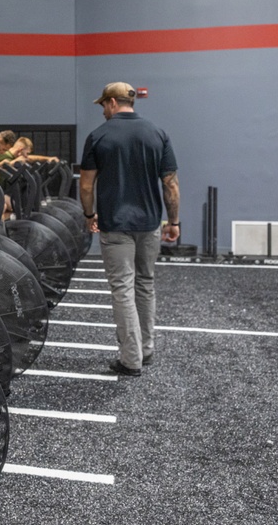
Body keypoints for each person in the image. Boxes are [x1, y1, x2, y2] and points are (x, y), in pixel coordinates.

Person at [79, 82, 179, 377]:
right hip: (149, 224)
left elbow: (86, 184)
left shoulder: (99, 136)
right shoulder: (157, 134)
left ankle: (131, 359)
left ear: (111, 102)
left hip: (116, 224)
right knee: (145, 283)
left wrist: (89, 214)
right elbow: (170, 184)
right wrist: (173, 222)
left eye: (103, 106)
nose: (103, 112)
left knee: (123, 288)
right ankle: (145, 350)